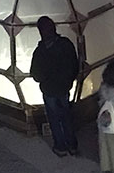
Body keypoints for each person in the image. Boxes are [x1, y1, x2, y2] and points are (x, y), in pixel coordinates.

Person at [30, 16, 79, 157]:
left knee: (54, 119)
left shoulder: (40, 52)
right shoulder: (66, 44)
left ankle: (60, 146)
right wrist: (68, 80)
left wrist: (45, 80)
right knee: (66, 116)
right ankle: (72, 145)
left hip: (50, 91)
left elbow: (36, 74)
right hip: (64, 89)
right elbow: (74, 65)